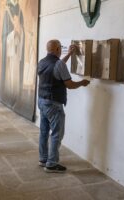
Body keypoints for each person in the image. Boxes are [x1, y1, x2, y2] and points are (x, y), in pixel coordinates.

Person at [37, 39, 90, 173]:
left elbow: (57, 67)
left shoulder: (42, 62)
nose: (61, 49)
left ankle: (43, 158)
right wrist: (82, 82)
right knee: (56, 134)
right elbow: (70, 85)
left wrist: (69, 55)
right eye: (61, 47)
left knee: (44, 132)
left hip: (42, 101)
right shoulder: (59, 64)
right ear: (56, 49)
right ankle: (52, 164)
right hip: (53, 103)